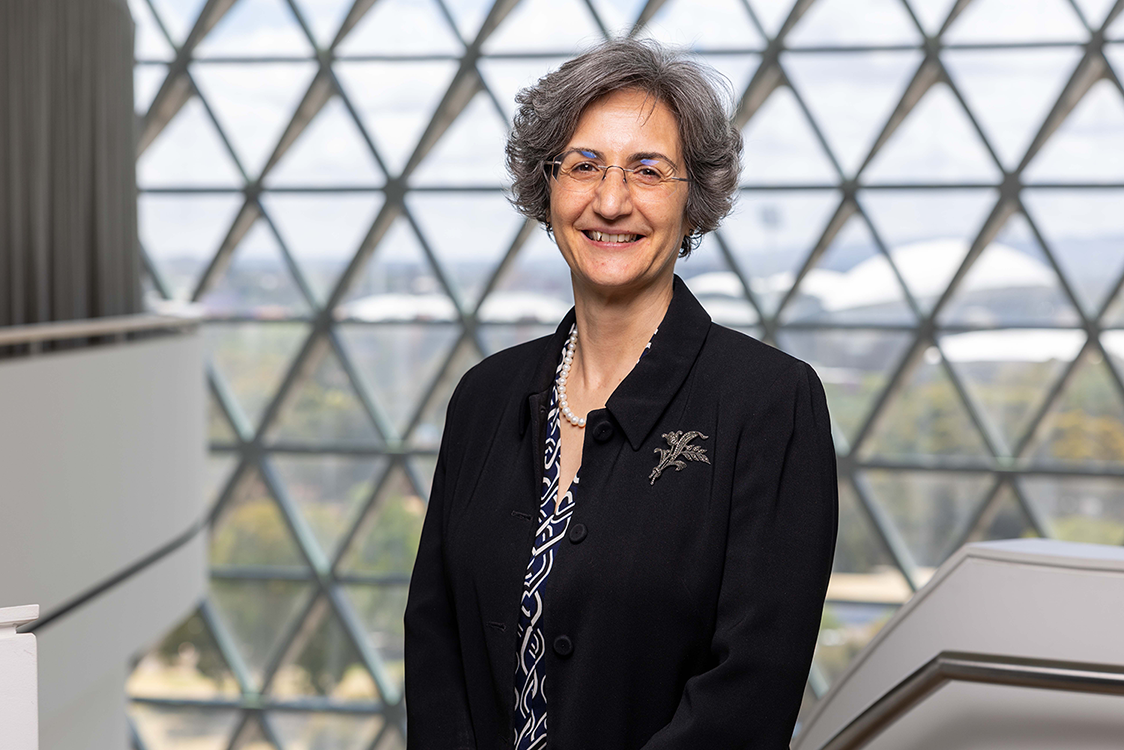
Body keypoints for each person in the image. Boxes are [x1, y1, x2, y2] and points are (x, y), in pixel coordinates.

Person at [404, 38, 837, 750]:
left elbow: (750, 690)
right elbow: (435, 644)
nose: (610, 202)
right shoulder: (484, 397)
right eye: (584, 166)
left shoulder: (770, 404)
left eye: (648, 170)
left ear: (694, 199)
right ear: (547, 186)